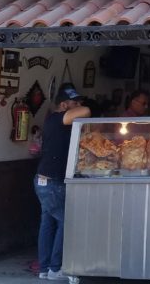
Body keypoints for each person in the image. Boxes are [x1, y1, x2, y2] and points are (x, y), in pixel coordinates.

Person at [34, 83, 90, 281]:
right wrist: (80, 107)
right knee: (67, 222)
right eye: (74, 102)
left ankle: (45, 268)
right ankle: (55, 268)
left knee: (48, 223)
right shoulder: (58, 119)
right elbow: (86, 111)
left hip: (45, 181)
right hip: (51, 183)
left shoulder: (56, 120)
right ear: (64, 105)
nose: (79, 105)